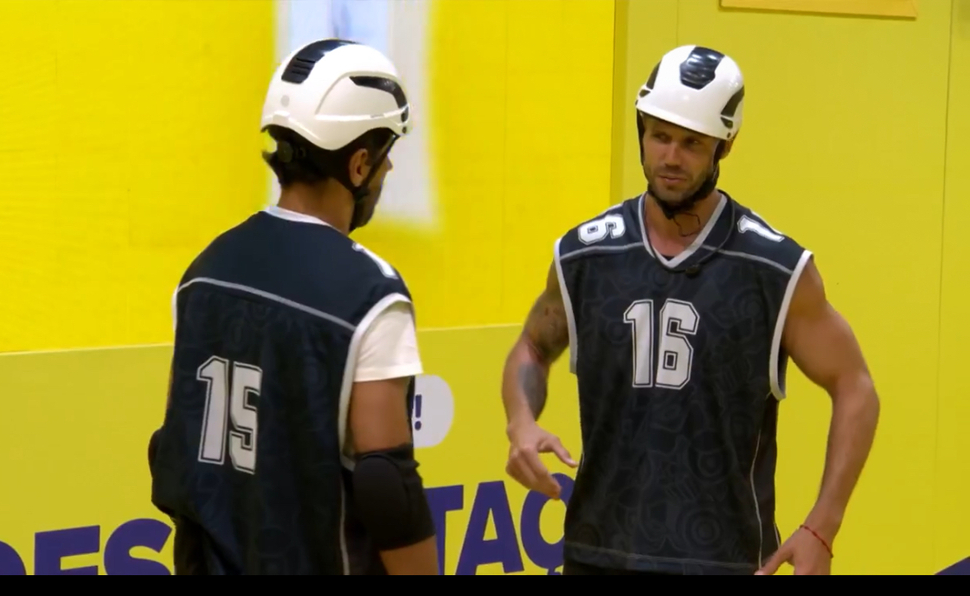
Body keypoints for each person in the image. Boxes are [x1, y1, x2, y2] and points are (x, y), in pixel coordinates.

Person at [501, 45, 880, 576]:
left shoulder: (772, 269)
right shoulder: (588, 254)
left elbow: (856, 387)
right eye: (659, 136)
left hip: (722, 561)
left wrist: (823, 524)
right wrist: (521, 421)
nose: (671, 157)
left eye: (691, 143)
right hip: (597, 554)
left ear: (726, 144)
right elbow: (533, 347)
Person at [147, 38, 438, 575]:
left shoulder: (204, 269)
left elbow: (171, 446)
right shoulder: (370, 291)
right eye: (385, 154)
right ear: (357, 165)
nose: (389, 170)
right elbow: (385, 485)